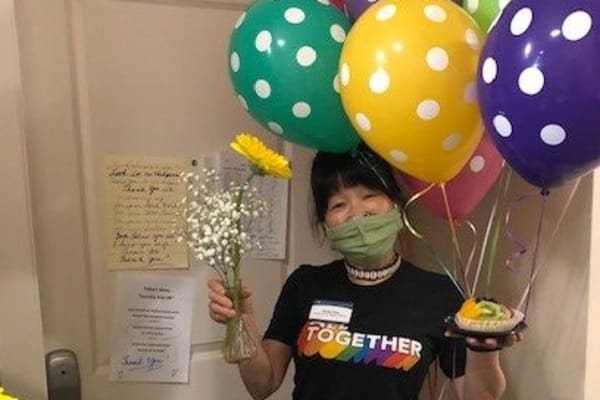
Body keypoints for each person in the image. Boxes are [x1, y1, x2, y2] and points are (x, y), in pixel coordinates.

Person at [207, 145, 522, 400]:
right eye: (338, 205)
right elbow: (262, 385)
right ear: (325, 223)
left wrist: (484, 349)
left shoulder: (440, 294)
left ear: (396, 205)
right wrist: (242, 322)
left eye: (369, 196)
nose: (357, 214)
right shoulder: (304, 284)